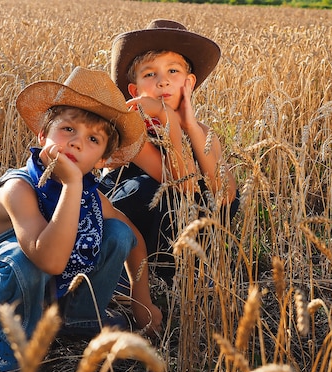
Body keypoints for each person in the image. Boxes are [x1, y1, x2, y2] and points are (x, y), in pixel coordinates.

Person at [0, 67, 162, 372]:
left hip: (51, 280)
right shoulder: (19, 189)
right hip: (2, 281)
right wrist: (71, 186)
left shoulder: (90, 194)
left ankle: (80, 318)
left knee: (116, 232)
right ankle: (8, 356)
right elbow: (49, 259)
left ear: (101, 161)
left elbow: (134, 239)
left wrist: (141, 303)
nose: (77, 143)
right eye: (68, 129)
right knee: (22, 260)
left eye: (92, 139)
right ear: (43, 136)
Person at [100, 19, 239, 283]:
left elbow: (225, 196)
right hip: (127, 222)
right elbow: (181, 183)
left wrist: (188, 125)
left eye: (173, 72)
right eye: (150, 74)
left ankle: (185, 269)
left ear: (189, 83)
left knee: (219, 197)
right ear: (134, 90)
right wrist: (168, 119)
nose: (162, 82)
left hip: (175, 230)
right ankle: (127, 273)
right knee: (151, 189)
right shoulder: (130, 131)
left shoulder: (203, 133)